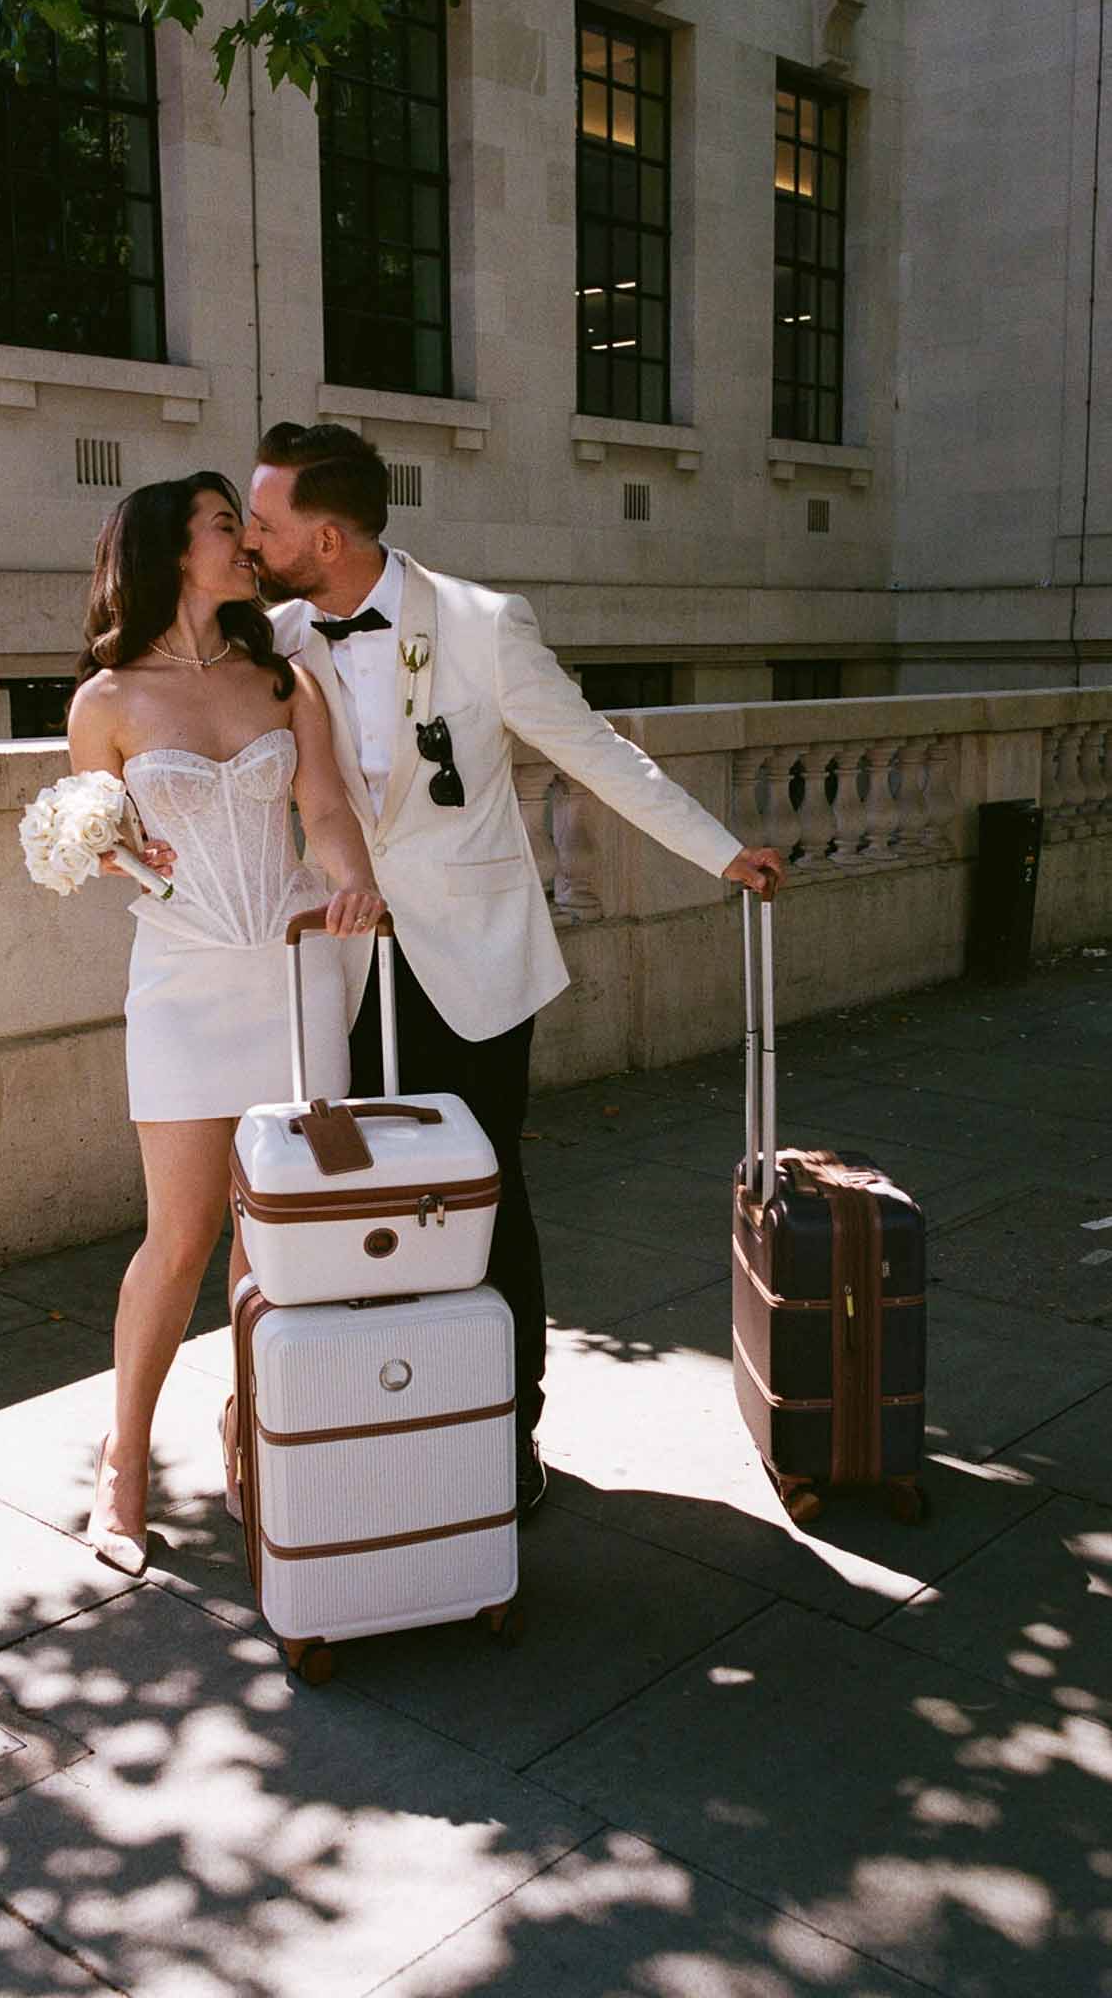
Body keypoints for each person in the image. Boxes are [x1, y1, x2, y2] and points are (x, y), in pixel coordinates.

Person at [240, 423, 785, 1518]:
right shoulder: (270, 634)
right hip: (338, 971)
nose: (250, 540)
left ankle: (507, 1430)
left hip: (472, 964)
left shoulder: (485, 625)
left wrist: (719, 848)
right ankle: (384, 1419)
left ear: (328, 534)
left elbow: (595, 750)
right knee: (348, 1200)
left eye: (265, 524)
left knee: (486, 1199)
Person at [67, 470, 385, 1575]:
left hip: (292, 981)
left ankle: (252, 1432)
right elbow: (90, 835)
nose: (242, 540)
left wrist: (351, 881)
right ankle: (123, 1461)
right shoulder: (104, 700)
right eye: (220, 525)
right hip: (181, 984)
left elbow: (326, 809)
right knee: (182, 1235)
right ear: (170, 548)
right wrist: (116, 854)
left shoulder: (280, 676)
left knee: (275, 1239)